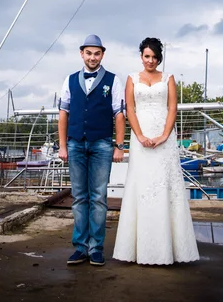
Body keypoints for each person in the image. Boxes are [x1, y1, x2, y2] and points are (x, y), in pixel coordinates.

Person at [113, 37, 199, 265]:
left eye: (154, 57)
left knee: (166, 186)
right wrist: (139, 135)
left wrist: (164, 135)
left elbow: (172, 107)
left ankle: (169, 248)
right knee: (140, 186)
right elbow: (129, 108)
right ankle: (137, 248)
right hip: (140, 138)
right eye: (146, 56)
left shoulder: (168, 78)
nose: (150, 60)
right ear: (141, 56)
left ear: (159, 58)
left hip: (164, 138)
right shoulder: (131, 78)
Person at [58, 34, 125, 267]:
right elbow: (63, 114)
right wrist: (63, 145)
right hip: (75, 143)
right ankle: (80, 247)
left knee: (98, 197)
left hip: (102, 144)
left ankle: (96, 248)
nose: (93, 57)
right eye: (89, 53)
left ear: (102, 55)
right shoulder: (69, 80)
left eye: (97, 53)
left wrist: (119, 146)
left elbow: (119, 114)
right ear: (81, 54)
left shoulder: (114, 80)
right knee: (79, 197)